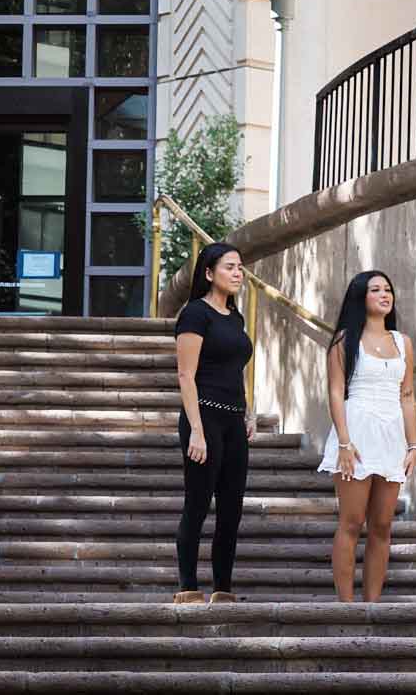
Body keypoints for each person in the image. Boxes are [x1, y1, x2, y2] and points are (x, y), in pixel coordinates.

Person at [317, 269, 416, 602]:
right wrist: (344, 443)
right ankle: (345, 606)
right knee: (351, 522)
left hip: (392, 436)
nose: (384, 294)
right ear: (361, 296)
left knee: (382, 525)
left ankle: (372, 604)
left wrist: (414, 444)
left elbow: (407, 395)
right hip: (357, 432)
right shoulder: (345, 340)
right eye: (375, 289)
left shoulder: (403, 342)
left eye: (388, 289)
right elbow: (335, 393)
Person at [173, 242, 255, 604]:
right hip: (203, 416)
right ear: (209, 273)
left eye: (240, 267)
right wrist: (197, 431)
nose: (238, 273)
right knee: (198, 503)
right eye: (230, 267)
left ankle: (223, 588)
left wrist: (248, 411)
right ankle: (188, 587)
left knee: (231, 508)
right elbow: (185, 375)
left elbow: (237, 371)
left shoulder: (235, 318)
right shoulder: (195, 314)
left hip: (234, 420)